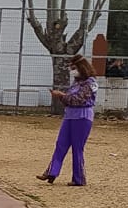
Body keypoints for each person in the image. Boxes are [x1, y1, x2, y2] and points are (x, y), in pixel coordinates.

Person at [38, 54, 98, 186]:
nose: (72, 70)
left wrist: (61, 95)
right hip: (70, 116)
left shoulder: (91, 83)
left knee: (77, 148)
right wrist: (62, 97)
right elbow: (69, 100)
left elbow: (78, 100)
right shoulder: (76, 82)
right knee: (61, 144)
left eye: (74, 67)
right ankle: (51, 172)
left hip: (82, 117)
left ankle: (79, 178)